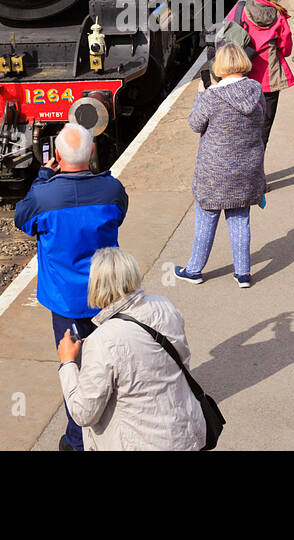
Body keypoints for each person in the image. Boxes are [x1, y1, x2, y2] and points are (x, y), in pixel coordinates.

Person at [14, 123, 128, 451]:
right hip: (107, 294)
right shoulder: (112, 190)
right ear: (91, 152)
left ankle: (78, 439)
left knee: (73, 366)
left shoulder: (43, 195)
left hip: (65, 301)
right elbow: (119, 216)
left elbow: (23, 220)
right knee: (108, 360)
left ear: (58, 156)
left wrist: (42, 178)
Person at [57, 247, 207, 451]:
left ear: (95, 286)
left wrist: (68, 363)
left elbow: (84, 413)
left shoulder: (102, 341)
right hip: (185, 435)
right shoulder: (165, 307)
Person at [176, 42, 266, 288]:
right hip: (247, 169)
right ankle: (243, 273)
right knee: (240, 218)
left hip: (214, 172)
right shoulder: (255, 89)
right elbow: (261, 119)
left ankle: (194, 269)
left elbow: (195, 124)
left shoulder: (212, 97)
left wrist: (200, 95)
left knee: (206, 217)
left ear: (220, 67)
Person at [234, 0, 294, 145]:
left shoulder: (240, 11)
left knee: (243, 125)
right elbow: (286, 48)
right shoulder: (279, 16)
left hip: (243, 76)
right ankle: (257, 166)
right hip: (270, 78)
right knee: (264, 128)